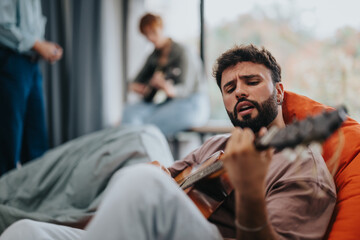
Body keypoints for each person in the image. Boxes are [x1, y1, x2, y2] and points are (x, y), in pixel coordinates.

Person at [0, 44, 336, 240]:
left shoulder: (304, 169)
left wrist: (249, 191)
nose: (240, 92)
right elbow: (172, 176)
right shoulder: (218, 146)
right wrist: (159, 171)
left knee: (142, 185)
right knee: (25, 231)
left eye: (251, 81)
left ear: (279, 91)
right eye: (229, 88)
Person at [0, 0, 63, 176]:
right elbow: (3, 26)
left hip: (32, 63)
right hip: (12, 62)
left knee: (36, 137)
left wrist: (44, 47)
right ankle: (5, 196)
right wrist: (38, 45)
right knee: (9, 137)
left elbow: (32, 30)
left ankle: (35, 192)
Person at [121, 13, 210, 137]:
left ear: (162, 28)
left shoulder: (183, 52)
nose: (150, 37)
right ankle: (128, 144)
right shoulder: (154, 56)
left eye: (153, 32)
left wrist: (167, 88)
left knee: (147, 126)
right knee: (130, 111)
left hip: (192, 103)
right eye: (146, 35)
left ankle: (132, 145)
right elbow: (134, 82)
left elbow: (186, 89)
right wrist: (143, 87)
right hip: (170, 104)